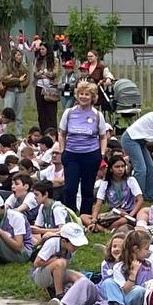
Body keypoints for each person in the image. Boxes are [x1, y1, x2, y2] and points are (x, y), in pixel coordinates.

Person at [54, 81, 107, 215]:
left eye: (87, 94)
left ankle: (85, 215)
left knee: (87, 189)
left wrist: (101, 153)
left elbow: (102, 136)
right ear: (77, 95)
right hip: (71, 155)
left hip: (91, 155)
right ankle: (70, 214)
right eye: (81, 94)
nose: (83, 97)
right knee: (70, 188)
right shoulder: (69, 112)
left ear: (92, 97)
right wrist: (62, 150)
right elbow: (62, 134)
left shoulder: (97, 115)